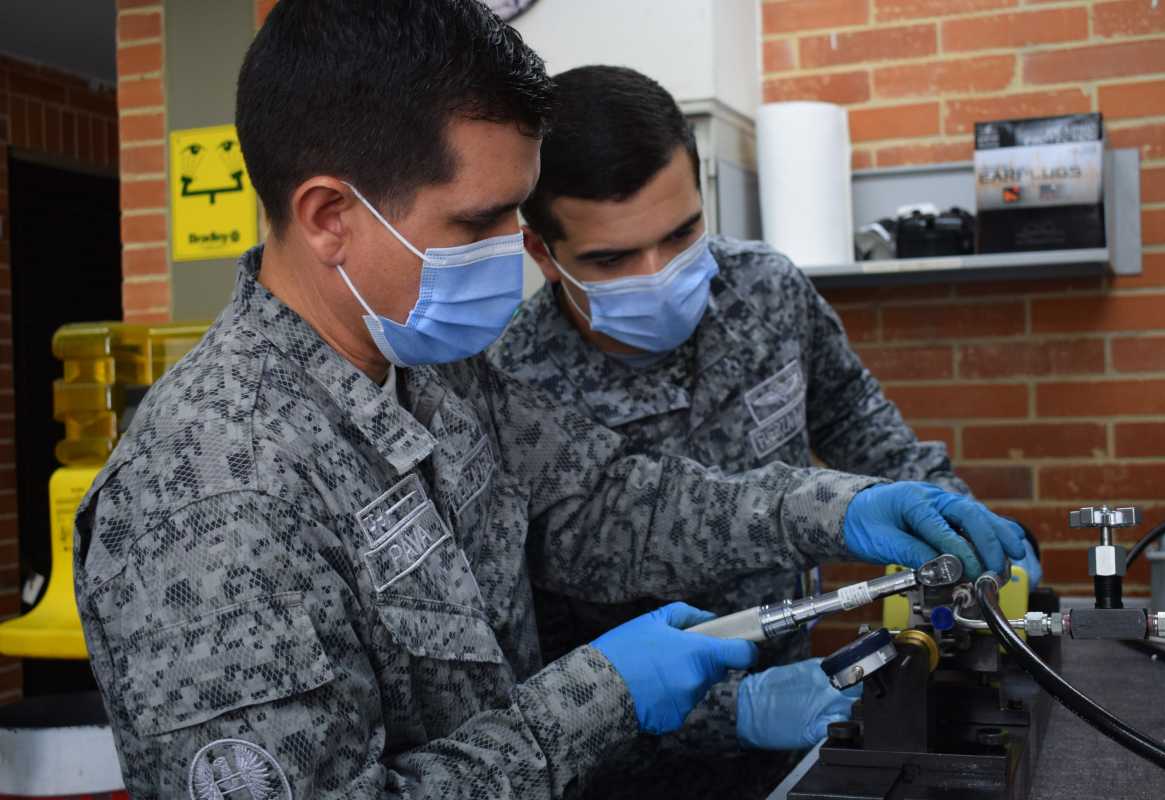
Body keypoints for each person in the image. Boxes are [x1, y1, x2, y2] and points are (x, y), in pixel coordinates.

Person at [74, 4, 1028, 799]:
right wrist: (603, 694)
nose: (507, 252)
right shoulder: (204, 495)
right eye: (480, 221)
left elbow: (606, 502)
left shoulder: (434, 370)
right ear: (331, 217)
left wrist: (843, 509)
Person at [490, 65, 1043, 798]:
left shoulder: (766, 292)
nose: (659, 272)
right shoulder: (512, 391)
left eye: (682, 232)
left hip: (813, 714)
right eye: (613, 259)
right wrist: (735, 713)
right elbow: (539, 673)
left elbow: (856, 419)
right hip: (640, 762)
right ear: (542, 253)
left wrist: (947, 516)